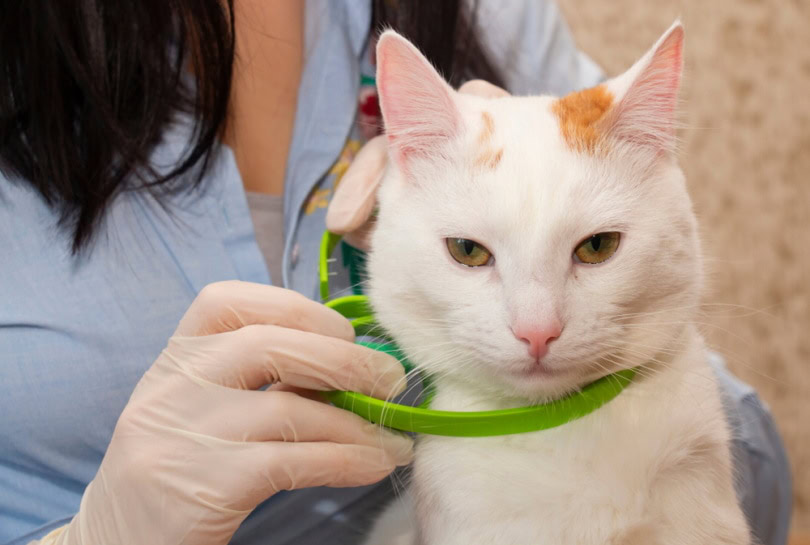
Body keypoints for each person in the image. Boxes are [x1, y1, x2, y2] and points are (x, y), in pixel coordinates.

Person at [0, 1, 791, 544]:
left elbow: (754, 457)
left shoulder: (483, 11)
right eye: (470, 251)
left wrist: (662, 464)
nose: (537, 323)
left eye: (590, 251)